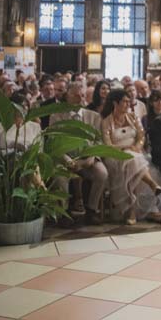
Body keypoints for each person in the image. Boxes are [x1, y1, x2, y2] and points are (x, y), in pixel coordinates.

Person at [101, 88, 161, 225]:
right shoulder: (106, 122)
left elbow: (141, 136)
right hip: (115, 155)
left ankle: (132, 210)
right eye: (125, 102)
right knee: (132, 160)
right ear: (115, 103)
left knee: (133, 163)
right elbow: (108, 145)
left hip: (135, 153)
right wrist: (123, 149)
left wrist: (138, 147)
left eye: (129, 101)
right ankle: (151, 183)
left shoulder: (133, 117)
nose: (128, 104)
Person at [52, 81, 108, 225]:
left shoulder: (94, 116)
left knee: (102, 173)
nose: (80, 99)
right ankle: (64, 213)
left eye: (82, 95)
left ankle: (91, 210)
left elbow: (98, 141)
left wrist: (91, 158)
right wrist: (67, 160)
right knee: (60, 178)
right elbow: (54, 142)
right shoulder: (57, 116)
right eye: (76, 95)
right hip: (65, 159)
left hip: (88, 157)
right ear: (67, 96)